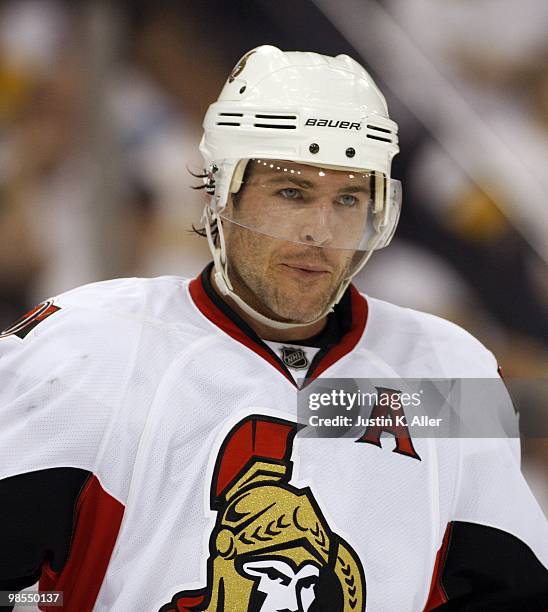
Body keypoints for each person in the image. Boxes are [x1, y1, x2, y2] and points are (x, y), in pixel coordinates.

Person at [1, 45, 547, 612]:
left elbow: (511, 593)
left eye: (349, 198)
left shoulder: (455, 370)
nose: (320, 230)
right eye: (292, 193)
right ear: (220, 190)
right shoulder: (86, 343)